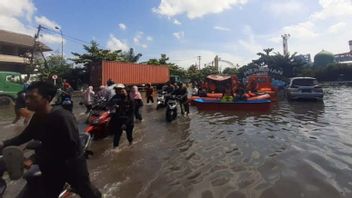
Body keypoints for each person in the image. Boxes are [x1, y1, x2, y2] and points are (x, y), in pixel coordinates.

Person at [0, 81, 101, 198]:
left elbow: (69, 147)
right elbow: (24, 136)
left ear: (46, 98)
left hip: (70, 166)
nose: (27, 101)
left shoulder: (62, 117)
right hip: (50, 166)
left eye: (32, 98)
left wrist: (34, 158)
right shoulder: (38, 116)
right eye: (26, 97)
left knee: (87, 192)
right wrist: (3, 144)